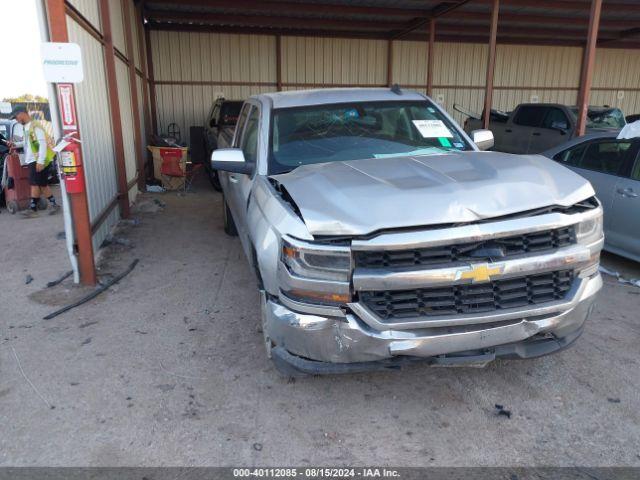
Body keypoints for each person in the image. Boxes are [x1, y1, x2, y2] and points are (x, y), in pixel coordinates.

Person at [8, 109, 59, 218]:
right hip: (33, 160)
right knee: (41, 184)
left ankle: (33, 209)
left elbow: (42, 144)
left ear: (22, 114)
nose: (16, 120)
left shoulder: (35, 126)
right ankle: (53, 205)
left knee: (35, 184)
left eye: (16, 117)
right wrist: (15, 144)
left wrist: (40, 162)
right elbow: (27, 143)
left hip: (38, 160)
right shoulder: (26, 127)